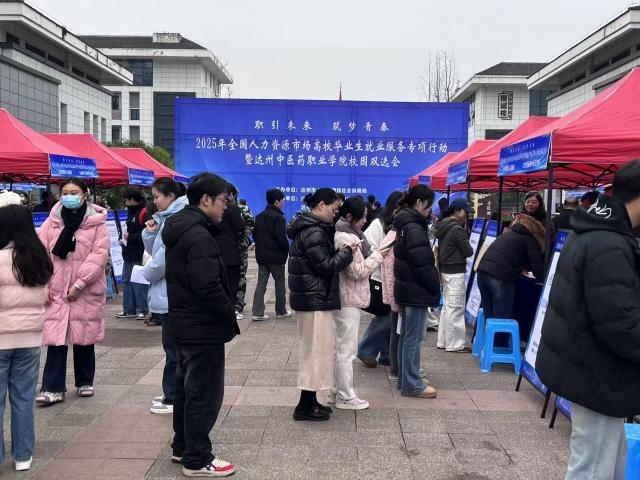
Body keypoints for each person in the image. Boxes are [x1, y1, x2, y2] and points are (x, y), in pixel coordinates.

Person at [537, 160, 640, 480]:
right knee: (593, 468)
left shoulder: (594, 230)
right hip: (598, 373)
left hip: (589, 368)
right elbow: (619, 324)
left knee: (608, 461)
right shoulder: (608, 243)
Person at [162, 172, 239, 477]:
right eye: (223, 200)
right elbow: (207, 286)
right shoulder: (198, 235)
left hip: (185, 324)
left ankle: (183, 446)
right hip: (201, 327)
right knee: (203, 394)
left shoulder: (183, 228)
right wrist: (228, 313)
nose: (225, 207)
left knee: (187, 389)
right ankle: (197, 458)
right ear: (206, 200)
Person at [36, 179, 109, 405]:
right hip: (56, 287)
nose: (68, 196)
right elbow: (40, 252)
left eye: (74, 192)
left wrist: (79, 284)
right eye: (65, 193)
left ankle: (85, 381)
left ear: (84, 195)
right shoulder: (52, 221)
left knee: (84, 335)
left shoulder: (96, 223)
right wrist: (44, 284)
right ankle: (52, 387)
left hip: (86, 288)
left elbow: (99, 256)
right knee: (56, 338)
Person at [287, 188, 353, 421]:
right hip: (313, 299)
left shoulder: (310, 227)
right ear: (321, 205)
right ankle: (305, 407)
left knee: (316, 352)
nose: (335, 214)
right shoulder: (314, 231)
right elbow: (326, 266)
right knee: (314, 354)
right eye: (334, 209)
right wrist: (346, 253)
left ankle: (311, 401)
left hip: (312, 298)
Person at [0, 198, 52, 472]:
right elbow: (45, 296)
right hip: (30, 337)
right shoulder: (37, 258)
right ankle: (23, 456)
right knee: (23, 398)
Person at [330, 196, 386, 410]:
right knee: (346, 351)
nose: (365, 220)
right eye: (362, 217)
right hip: (348, 300)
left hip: (346, 298)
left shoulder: (349, 234)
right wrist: (378, 256)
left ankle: (336, 392)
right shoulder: (348, 238)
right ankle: (345, 396)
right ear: (350, 216)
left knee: (341, 349)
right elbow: (356, 272)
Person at [142, 178, 188, 415]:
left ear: (171, 196)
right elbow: (154, 250)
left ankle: (173, 397)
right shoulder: (166, 218)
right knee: (172, 349)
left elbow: (162, 260)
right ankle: (171, 392)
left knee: (173, 351)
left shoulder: (175, 219)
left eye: (157, 197)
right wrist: (150, 233)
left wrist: (145, 272)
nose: (154, 202)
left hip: (172, 293)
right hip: (167, 292)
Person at [393, 185, 440, 399]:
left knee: (407, 337)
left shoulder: (405, 223)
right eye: (429, 206)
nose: (430, 211)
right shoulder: (414, 227)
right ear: (419, 203)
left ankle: (406, 379)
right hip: (416, 291)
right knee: (413, 338)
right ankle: (412, 383)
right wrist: (434, 286)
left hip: (407, 289)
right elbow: (421, 265)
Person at [358, 191, 403, 369]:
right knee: (385, 317)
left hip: (391, 278)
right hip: (378, 278)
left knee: (390, 317)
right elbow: (368, 249)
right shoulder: (378, 224)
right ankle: (365, 350)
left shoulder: (397, 224)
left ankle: (386, 355)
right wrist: (382, 257)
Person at [476, 210, 546, 322]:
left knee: (489, 317)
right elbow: (538, 269)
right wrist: (545, 280)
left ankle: (487, 334)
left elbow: (508, 256)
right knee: (501, 319)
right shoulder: (530, 239)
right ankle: (499, 335)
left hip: (482, 272)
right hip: (500, 277)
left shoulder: (508, 234)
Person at [433, 198, 474, 352]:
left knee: (447, 307)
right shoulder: (457, 229)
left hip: (445, 270)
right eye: (465, 212)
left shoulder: (444, 225)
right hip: (455, 271)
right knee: (455, 308)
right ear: (456, 211)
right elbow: (468, 251)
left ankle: (443, 341)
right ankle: (455, 344)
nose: (466, 216)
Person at [251, 188, 291, 321]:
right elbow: (281, 238)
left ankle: (257, 312)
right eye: (282, 201)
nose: (283, 203)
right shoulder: (279, 218)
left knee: (261, 284)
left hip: (262, 256)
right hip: (276, 257)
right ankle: (280, 311)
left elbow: (255, 235)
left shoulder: (259, 216)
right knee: (279, 284)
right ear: (276, 201)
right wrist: (286, 250)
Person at [116, 188, 149, 321]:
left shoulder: (144, 212)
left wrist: (130, 237)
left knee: (139, 283)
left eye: (126, 199)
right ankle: (129, 309)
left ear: (131, 199)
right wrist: (122, 239)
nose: (125, 202)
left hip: (139, 254)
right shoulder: (130, 213)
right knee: (126, 281)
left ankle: (143, 310)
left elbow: (147, 233)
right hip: (128, 253)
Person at [215, 183, 245, 320]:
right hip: (230, 252)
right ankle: (231, 310)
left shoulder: (210, 207)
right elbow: (240, 227)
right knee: (232, 284)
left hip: (214, 251)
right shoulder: (232, 208)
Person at [235, 190, 255, 316]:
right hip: (225, 248)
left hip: (240, 248)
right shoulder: (221, 208)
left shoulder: (243, 209)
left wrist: (243, 237)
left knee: (241, 275)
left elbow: (250, 224)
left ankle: (239, 302)